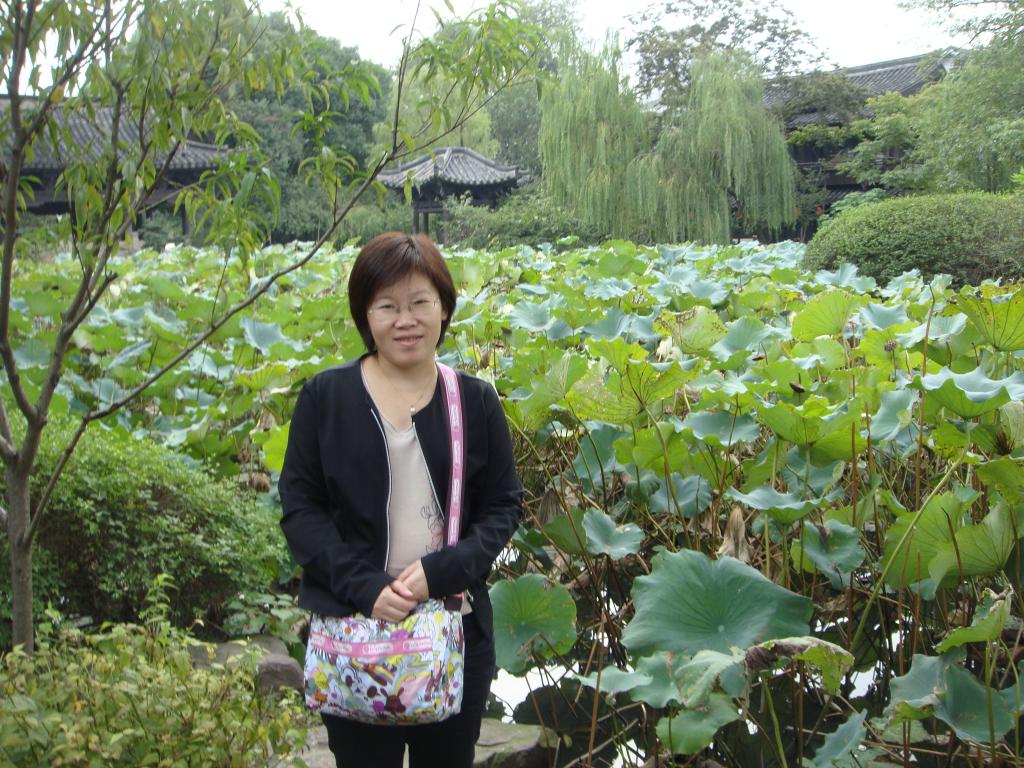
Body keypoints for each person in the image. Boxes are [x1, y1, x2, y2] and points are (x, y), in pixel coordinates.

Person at [279, 232, 523, 768]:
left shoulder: (475, 400)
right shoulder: (325, 398)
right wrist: (365, 587)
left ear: (444, 308)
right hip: (354, 629)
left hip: (453, 630)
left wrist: (441, 571)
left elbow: (504, 505)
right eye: (387, 306)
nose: (405, 320)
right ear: (365, 316)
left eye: (419, 303)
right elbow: (301, 510)